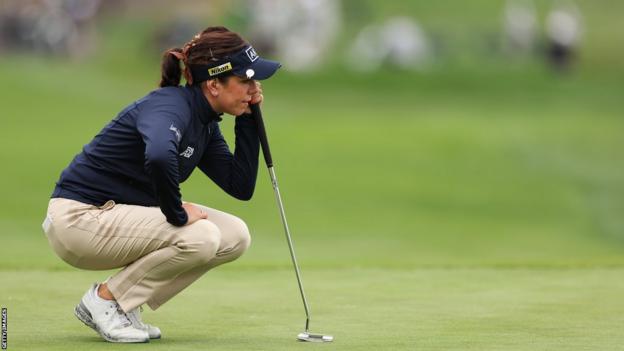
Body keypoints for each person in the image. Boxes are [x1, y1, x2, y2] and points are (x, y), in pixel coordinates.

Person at [41, 26, 280, 343]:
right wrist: (176, 214)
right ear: (213, 84)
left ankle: (125, 305)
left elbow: (240, 186)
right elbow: (158, 155)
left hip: (113, 218)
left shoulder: (204, 124)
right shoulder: (169, 106)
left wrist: (248, 119)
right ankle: (105, 301)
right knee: (202, 236)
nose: (254, 87)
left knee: (235, 235)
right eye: (245, 80)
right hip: (80, 219)